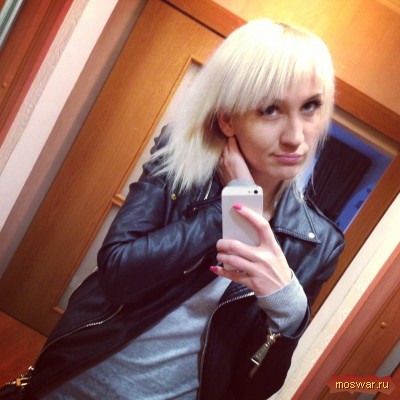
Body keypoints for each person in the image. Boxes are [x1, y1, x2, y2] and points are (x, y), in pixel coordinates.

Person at [2, 19, 344, 400]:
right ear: (228, 118)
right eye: (270, 110)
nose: (296, 137)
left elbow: (252, 389)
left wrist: (289, 310)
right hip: (77, 381)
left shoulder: (318, 243)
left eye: (310, 106)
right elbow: (117, 272)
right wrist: (234, 204)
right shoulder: (181, 163)